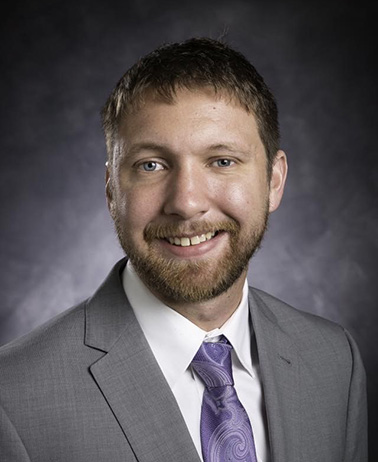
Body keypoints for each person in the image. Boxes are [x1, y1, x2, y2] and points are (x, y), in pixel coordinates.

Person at [0, 38, 367, 462]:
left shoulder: (334, 360)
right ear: (110, 190)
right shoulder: (12, 399)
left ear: (274, 181)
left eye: (222, 161)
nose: (187, 202)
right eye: (151, 165)